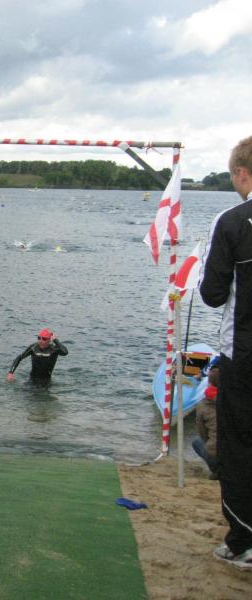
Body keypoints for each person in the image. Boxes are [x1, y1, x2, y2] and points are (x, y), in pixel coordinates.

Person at [199, 135, 252, 570]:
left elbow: (213, 294)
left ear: (241, 173)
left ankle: (243, 540)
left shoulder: (233, 221)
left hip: (245, 355)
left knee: (239, 445)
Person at [192, 366, 218, 480]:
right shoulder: (233, 401)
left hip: (216, 452)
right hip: (235, 451)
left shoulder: (203, 405)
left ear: (209, 384)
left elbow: (202, 433)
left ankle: (216, 470)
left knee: (197, 442)